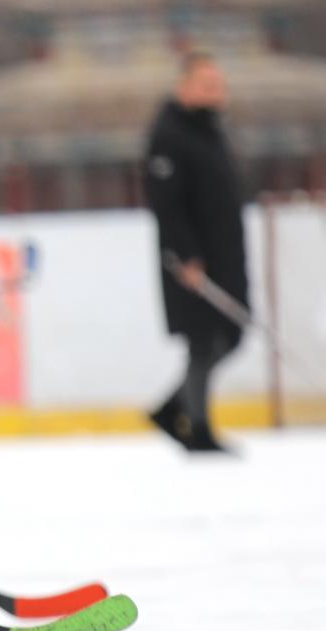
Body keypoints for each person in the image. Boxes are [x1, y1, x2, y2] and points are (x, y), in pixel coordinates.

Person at [144, 51, 248, 452]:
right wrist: (183, 254)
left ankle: (172, 410)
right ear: (183, 86)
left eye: (218, 85)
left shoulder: (211, 130)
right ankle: (197, 427)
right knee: (204, 340)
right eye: (206, 85)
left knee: (231, 333)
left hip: (224, 252)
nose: (215, 93)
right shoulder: (169, 134)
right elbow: (165, 203)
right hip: (191, 258)